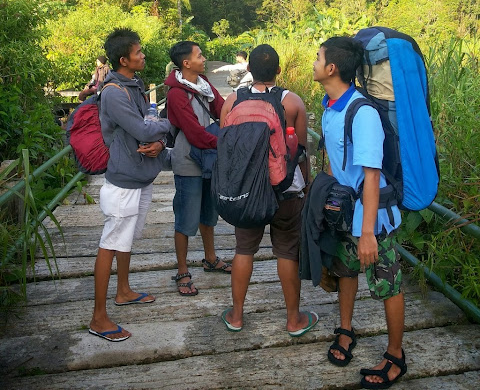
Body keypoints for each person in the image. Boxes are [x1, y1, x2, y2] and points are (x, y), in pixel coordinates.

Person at [313, 36, 406, 389]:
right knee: (346, 271)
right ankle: (346, 330)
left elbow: (371, 174)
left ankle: (396, 355)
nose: (315, 62)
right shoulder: (330, 104)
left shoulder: (362, 112)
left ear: (332, 68)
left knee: (388, 283)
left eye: (318, 57)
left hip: (374, 222)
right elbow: (340, 166)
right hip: (346, 214)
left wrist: (368, 233)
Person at [220, 44, 317, 336]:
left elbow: (227, 147)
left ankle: (236, 315)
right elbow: (299, 152)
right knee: (287, 251)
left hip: (247, 190)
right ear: (278, 70)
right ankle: (293, 320)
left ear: (248, 69)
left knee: (243, 249)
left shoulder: (233, 100)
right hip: (285, 190)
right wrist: (306, 185)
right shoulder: (293, 103)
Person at [89, 28, 171, 342]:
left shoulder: (132, 84)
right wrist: (164, 127)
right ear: (124, 59)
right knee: (110, 243)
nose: (143, 56)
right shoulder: (112, 92)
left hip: (141, 176)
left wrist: (160, 139)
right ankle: (98, 317)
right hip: (123, 182)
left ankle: (123, 290)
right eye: (138, 52)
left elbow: (149, 124)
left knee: (126, 240)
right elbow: (143, 127)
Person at [165, 41, 232, 296]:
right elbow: (193, 133)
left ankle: (210, 258)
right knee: (185, 218)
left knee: (208, 212)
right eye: (199, 55)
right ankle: (182, 270)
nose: (203, 59)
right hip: (189, 160)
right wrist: (227, 141)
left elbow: (220, 107)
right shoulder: (175, 93)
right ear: (186, 63)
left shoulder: (202, 83)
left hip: (210, 156)